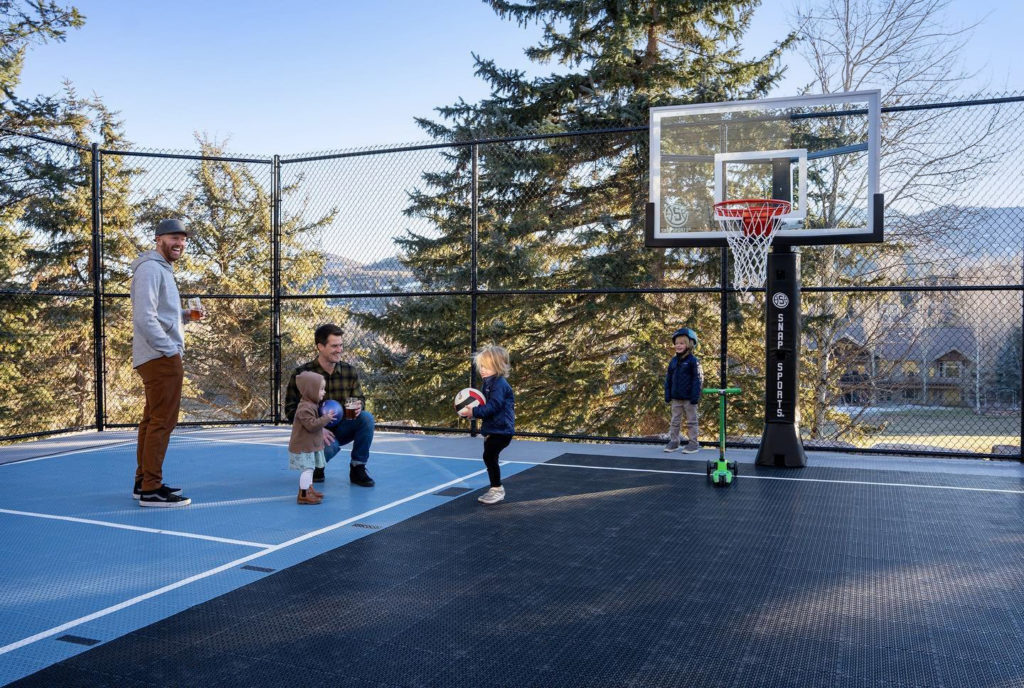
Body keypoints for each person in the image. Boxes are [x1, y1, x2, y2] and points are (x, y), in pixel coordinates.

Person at [130, 218, 199, 507]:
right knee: (162, 421)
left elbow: (161, 315)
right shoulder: (149, 269)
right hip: (160, 357)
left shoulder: (162, 270)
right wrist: (169, 350)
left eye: (183, 239)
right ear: (159, 239)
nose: (179, 243)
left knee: (152, 420)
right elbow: (144, 317)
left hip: (159, 355)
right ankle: (151, 489)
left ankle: (144, 481)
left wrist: (184, 316)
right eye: (174, 238)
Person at [285, 323, 376, 487]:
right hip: (315, 433)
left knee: (366, 418)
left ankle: (358, 467)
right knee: (325, 454)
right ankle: (317, 467)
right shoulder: (302, 374)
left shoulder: (349, 371)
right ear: (320, 346)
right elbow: (291, 410)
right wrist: (318, 428)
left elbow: (359, 398)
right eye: (334, 346)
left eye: (341, 345)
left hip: (342, 427)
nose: (339, 349)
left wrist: (359, 406)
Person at [457, 345, 515, 505]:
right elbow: (485, 405)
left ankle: (497, 489)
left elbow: (494, 406)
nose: (482, 370)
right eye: (481, 366)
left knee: (489, 456)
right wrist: (473, 411)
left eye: (487, 367)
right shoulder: (488, 383)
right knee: (489, 456)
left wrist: (474, 411)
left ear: (497, 367)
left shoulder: (500, 385)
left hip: (502, 430)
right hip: (494, 429)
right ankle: (496, 488)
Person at [287, 371, 335, 504]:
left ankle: (309, 489)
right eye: (321, 389)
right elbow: (312, 425)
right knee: (307, 470)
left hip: (310, 446)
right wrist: (326, 419)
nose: (324, 392)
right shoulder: (305, 408)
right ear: (311, 390)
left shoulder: (312, 404)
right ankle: (303, 494)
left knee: (311, 469)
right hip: (303, 447)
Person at [664, 327, 703, 454]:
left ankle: (693, 443)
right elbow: (668, 379)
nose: (678, 346)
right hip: (676, 397)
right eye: (676, 343)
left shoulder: (693, 361)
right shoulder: (673, 361)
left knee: (691, 421)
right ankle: (674, 441)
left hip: (689, 398)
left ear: (689, 344)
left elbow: (698, 379)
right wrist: (668, 393)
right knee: (675, 420)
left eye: (682, 343)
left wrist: (695, 396)